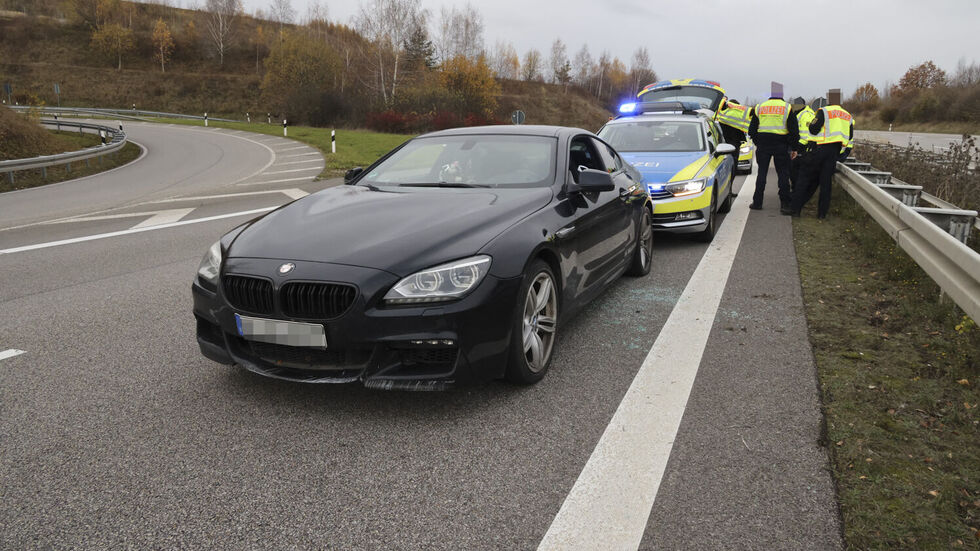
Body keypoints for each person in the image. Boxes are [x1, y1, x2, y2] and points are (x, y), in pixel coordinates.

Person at [788, 102, 855, 219]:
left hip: (818, 149)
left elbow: (813, 129)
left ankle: (795, 210)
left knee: (804, 178)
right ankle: (822, 214)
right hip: (833, 153)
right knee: (825, 184)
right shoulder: (847, 115)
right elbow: (849, 136)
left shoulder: (824, 111)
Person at [748, 92, 799, 211]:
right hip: (781, 144)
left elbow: (752, 130)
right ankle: (785, 204)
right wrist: (794, 148)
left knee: (762, 173)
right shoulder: (787, 107)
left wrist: (758, 142)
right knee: (783, 174)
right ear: (781, 96)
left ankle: (757, 202)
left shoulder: (760, 107)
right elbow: (794, 131)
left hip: (763, 144)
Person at [790, 101, 817, 197]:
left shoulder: (806, 114)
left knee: (796, 172)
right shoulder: (800, 113)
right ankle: (795, 192)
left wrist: (798, 147)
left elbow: (806, 134)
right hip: (800, 146)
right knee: (794, 171)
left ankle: (796, 194)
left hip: (802, 147)